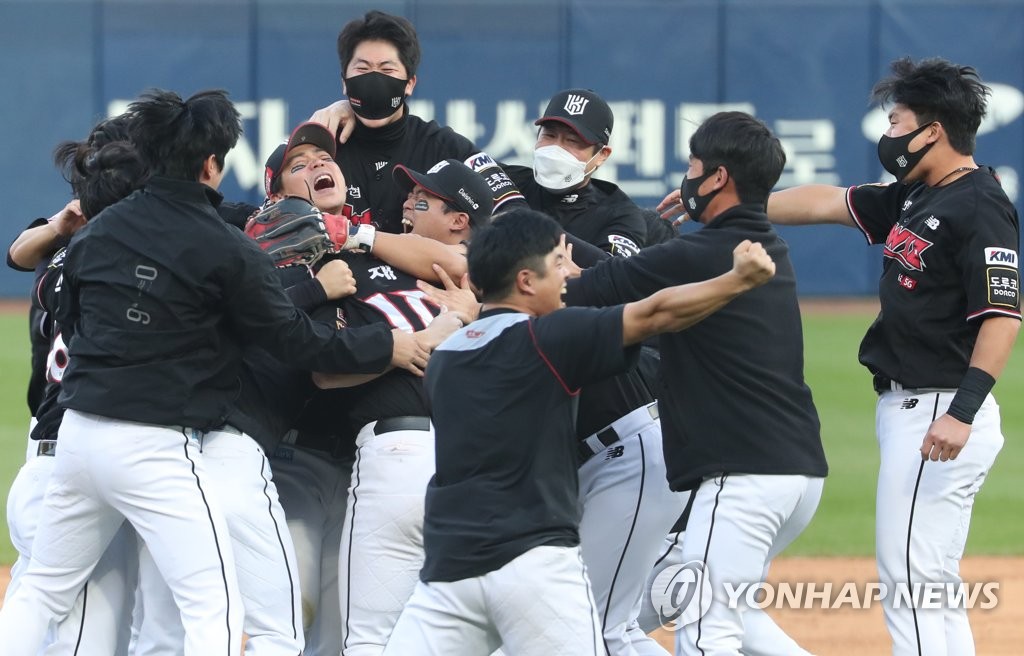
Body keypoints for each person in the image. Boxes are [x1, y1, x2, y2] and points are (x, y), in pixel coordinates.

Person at [0, 88, 429, 656]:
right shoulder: (223, 244)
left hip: (75, 433)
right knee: (216, 607)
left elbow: (72, 313)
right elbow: (294, 341)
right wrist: (385, 345)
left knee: (42, 593)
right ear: (210, 164)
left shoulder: (96, 232)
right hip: (158, 447)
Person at [381, 207, 774, 655]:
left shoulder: (447, 356)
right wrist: (737, 281)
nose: (568, 276)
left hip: (449, 574)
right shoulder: (549, 338)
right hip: (535, 566)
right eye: (558, 264)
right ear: (527, 282)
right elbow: (655, 313)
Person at [763, 57, 1020, 656]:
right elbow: (829, 201)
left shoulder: (979, 205)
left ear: (932, 130)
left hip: (940, 413)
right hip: (917, 410)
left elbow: (1003, 316)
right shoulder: (918, 194)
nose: (889, 132)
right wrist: (727, 207)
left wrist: (961, 411)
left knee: (913, 583)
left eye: (898, 118)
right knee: (926, 585)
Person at [568, 111, 828, 655]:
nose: (685, 176)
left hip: (743, 479)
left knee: (705, 632)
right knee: (726, 615)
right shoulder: (762, 247)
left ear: (717, 178)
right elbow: (630, 275)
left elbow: (594, 288)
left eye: (693, 165)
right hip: (797, 475)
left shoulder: (702, 253)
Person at [283, 158, 489, 656]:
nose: (405, 206)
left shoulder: (352, 267)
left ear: (460, 220)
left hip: (400, 451)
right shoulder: (477, 285)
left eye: (419, 200)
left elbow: (326, 371)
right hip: (481, 466)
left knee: (369, 642)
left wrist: (410, 343)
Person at [310, 10, 521, 234]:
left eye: (387, 69)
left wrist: (465, 253)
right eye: (362, 69)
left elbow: (513, 212)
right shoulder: (320, 146)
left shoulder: (444, 147)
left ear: (409, 84)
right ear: (344, 81)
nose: (374, 79)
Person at [504, 88, 648, 256]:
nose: (556, 149)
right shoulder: (507, 181)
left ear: (602, 155)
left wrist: (524, 222)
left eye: (572, 141)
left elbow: (616, 273)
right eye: (549, 135)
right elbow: (466, 153)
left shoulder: (619, 214)